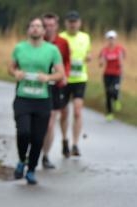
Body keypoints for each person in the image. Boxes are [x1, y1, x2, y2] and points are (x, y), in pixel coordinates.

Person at [8, 17, 64, 185]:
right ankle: (21, 160)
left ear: (44, 31)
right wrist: (15, 73)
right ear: (28, 30)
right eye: (32, 26)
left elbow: (60, 73)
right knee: (24, 132)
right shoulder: (19, 48)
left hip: (42, 99)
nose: (35, 29)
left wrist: (47, 77)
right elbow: (10, 68)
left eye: (38, 26)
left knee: (38, 138)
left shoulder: (52, 50)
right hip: (23, 97)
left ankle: (31, 170)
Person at [59, 10, 91, 157]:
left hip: (80, 78)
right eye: (70, 22)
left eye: (75, 22)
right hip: (64, 79)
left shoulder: (85, 37)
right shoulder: (60, 38)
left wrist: (88, 57)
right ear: (66, 23)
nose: (72, 24)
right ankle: (65, 140)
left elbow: (88, 53)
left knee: (77, 111)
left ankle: (75, 144)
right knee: (64, 113)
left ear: (79, 23)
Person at [41, 12, 70, 169]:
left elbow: (66, 62)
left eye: (52, 25)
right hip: (39, 86)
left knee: (51, 122)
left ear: (57, 26)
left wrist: (64, 75)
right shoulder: (38, 42)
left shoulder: (63, 43)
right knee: (38, 121)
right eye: (46, 26)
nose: (49, 28)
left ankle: (45, 156)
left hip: (56, 86)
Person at [99, 30, 126, 121]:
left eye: (113, 39)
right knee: (108, 93)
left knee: (113, 90)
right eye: (109, 39)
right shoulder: (105, 50)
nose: (111, 41)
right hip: (107, 74)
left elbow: (121, 61)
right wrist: (102, 60)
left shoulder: (119, 49)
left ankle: (116, 98)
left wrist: (122, 73)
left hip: (116, 74)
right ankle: (109, 113)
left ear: (115, 39)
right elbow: (101, 62)